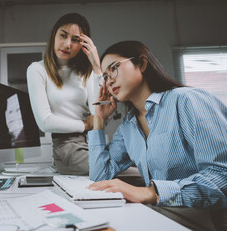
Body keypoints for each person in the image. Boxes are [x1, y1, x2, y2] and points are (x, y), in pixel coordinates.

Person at [87, 40, 227, 231]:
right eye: (104, 76)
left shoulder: (187, 100)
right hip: (161, 216)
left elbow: (222, 175)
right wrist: (99, 120)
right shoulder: (128, 126)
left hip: (205, 220)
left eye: (114, 68)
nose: (109, 80)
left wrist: (151, 192)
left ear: (142, 64)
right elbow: (99, 176)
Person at [26, 13, 102, 175]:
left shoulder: (87, 72)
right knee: (123, 171)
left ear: (83, 44)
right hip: (67, 146)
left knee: (137, 165)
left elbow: (98, 114)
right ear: (54, 35)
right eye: (63, 35)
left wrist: (97, 69)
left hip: (94, 140)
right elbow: (45, 122)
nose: (67, 44)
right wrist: (85, 125)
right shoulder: (37, 70)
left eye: (75, 40)